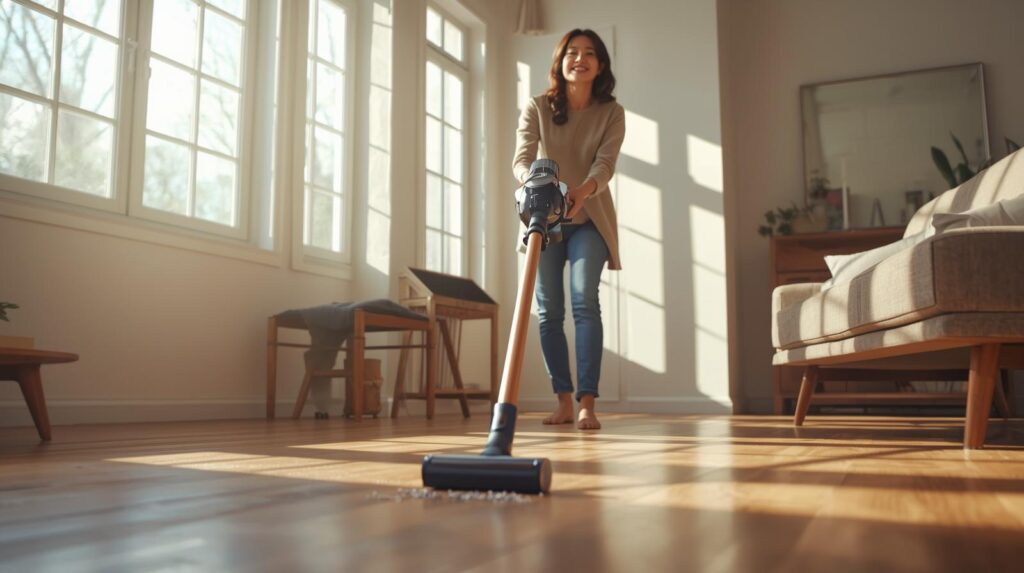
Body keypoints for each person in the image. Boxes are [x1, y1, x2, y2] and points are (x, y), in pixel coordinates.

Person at [512, 29, 626, 430]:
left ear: (600, 64)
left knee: (583, 301)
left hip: (590, 216)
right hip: (544, 217)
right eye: (572, 52)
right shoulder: (538, 107)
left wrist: (581, 191)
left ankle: (586, 404)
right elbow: (522, 157)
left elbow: (605, 164)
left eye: (589, 53)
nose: (580, 59)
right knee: (549, 312)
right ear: (560, 62)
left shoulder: (611, 112)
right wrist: (533, 183)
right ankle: (562, 400)